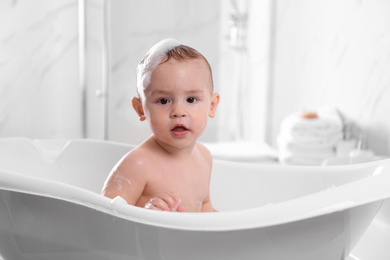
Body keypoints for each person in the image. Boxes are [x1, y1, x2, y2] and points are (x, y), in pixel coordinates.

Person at [101, 39, 220, 212]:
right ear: (141, 109)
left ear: (212, 105)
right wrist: (149, 214)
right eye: (164, 100)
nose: (178, 111)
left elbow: (205, 208)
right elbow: (104, 218)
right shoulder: (137, 164)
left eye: (191, 99)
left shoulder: (204, 157)